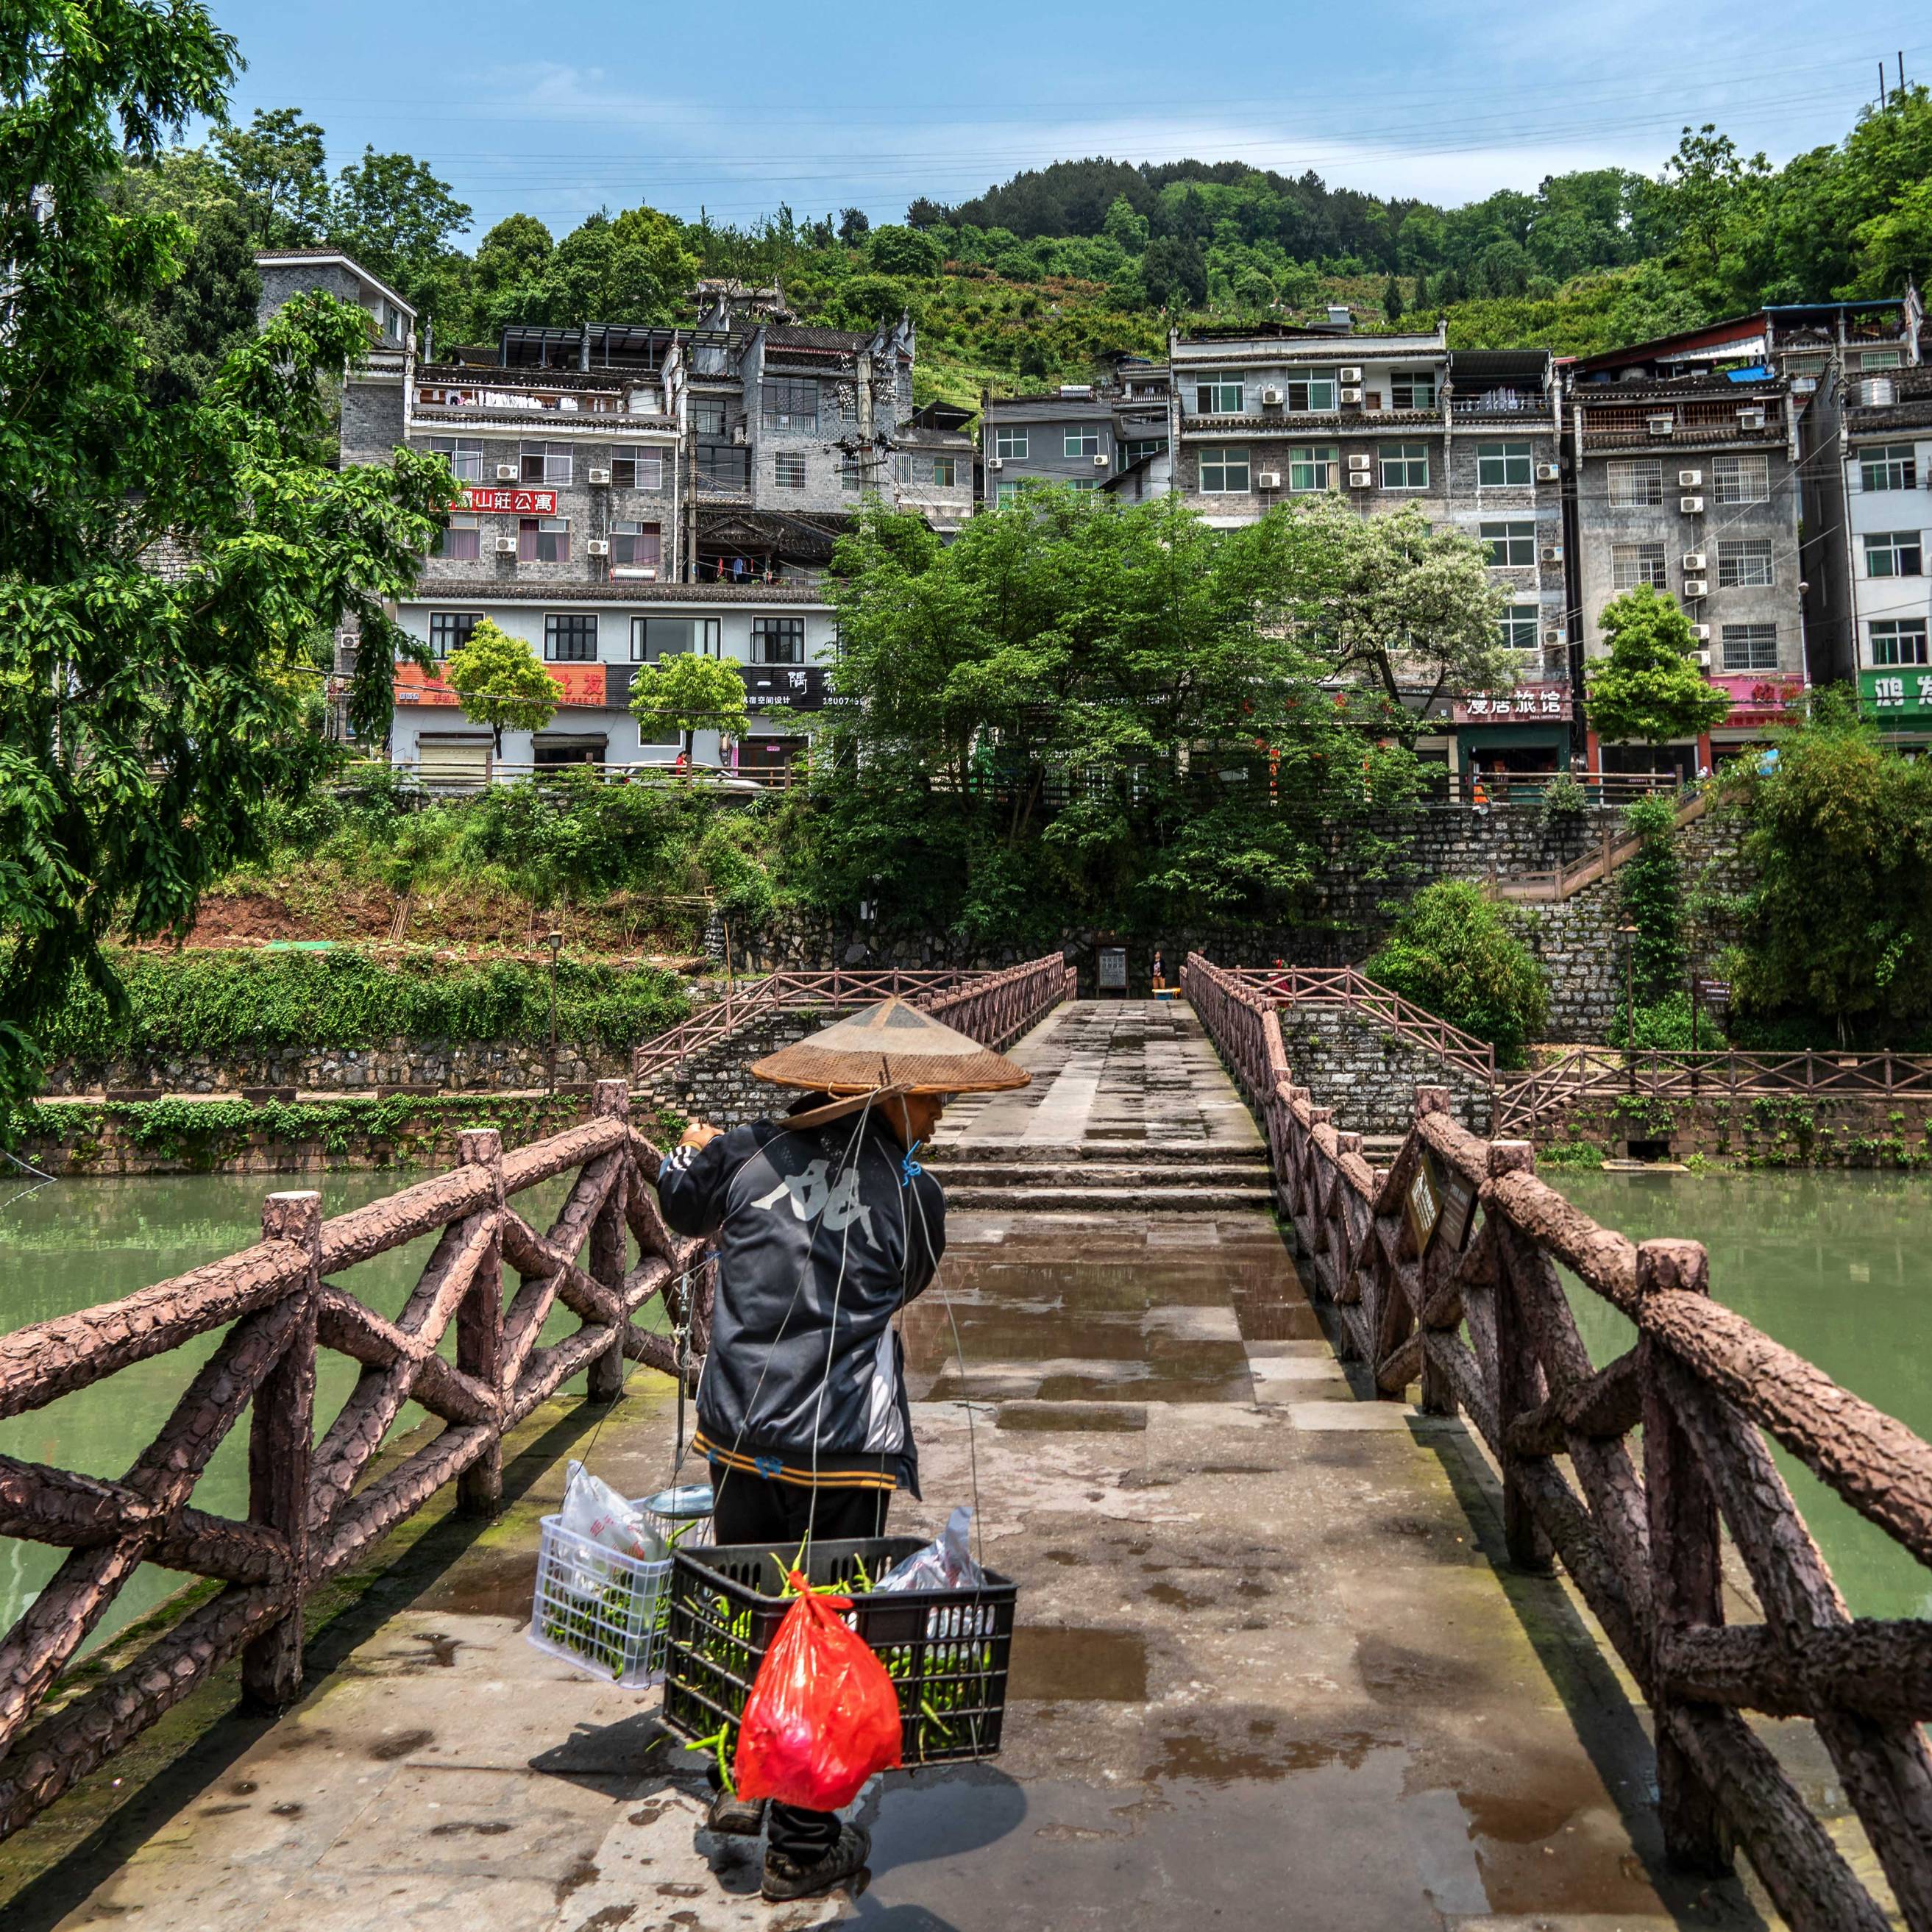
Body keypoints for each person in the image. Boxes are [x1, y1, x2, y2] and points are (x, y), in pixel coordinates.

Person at [656, 998, 1030, 1903]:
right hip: (847, 1444)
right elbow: (902, 1284)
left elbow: (678, 1203)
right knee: (822, 1622)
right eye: (929, 1101)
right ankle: (802, 1840)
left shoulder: (741, 1151)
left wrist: (685, 1147)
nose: (937, 1117)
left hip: (741, 1428)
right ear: (886, 1097)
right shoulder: (914, 1196)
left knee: (747, 1602)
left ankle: (742, 1788)